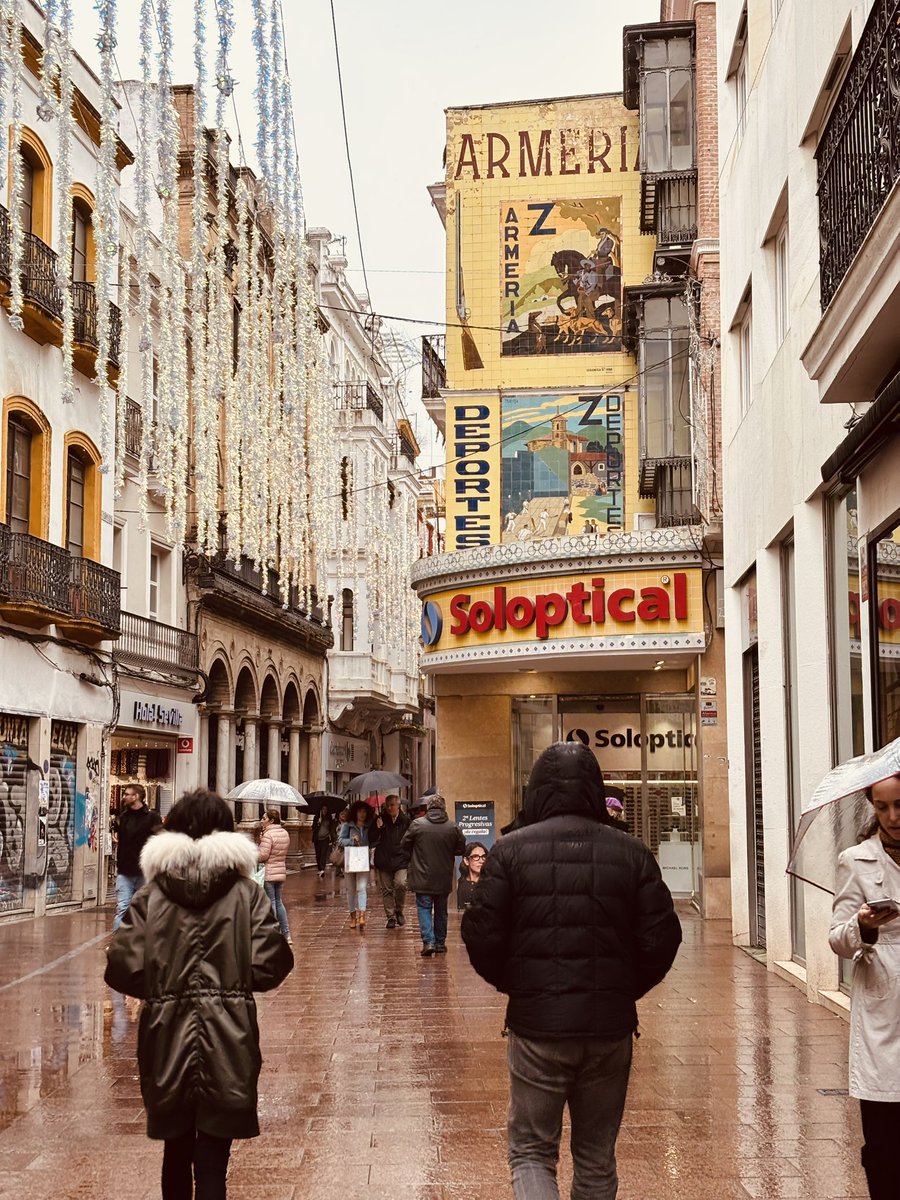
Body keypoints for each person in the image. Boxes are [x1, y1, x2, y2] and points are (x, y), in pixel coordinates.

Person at [461, 741, 682, 1199]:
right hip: (609, 1028)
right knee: (597, 1157)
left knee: (531, 1152)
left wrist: (520, 985)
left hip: (538, 1027)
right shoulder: (632, 852)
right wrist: (621, 989)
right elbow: (663, 938)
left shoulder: (510, 851)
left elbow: (480, 933)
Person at [105, 787, 293, 1200]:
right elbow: (271, 965)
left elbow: (121, 966)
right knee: (212, 1156)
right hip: (229, 1035)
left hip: (164, 1033)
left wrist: (161, 986)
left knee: (175, 1151)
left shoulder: (150, 895)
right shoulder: (246, 895)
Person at [829, 772, 900, 1200]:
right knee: (885, 1138)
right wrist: (862, 926)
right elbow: (836, 936)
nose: (893, 816)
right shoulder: (856, 859)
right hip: (882, 1005)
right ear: (871, 807)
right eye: (883, 807)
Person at [401, 792, 466, 956]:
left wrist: (414, 856)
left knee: (424, 907)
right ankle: (439, 943)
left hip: (422, 875)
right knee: (441, 910)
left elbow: (404, 845)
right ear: (444, 808)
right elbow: (461, 849)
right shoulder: (453, 827)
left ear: (428, 808)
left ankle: (428, 941)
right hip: (443, 876)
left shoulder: (417, 824)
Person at [113, 783, 161, 931]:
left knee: (145, 909)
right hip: (125, 870)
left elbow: (159, 841)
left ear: (136, 796)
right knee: (122, 908)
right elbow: (118, 838)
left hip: (144, 871)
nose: (124, 797)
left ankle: (144, 940)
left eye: (127, 794)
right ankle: (117, 943)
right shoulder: (122, 818)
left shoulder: (152, 817)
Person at [372, 794, 410, 929]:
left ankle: (399, 909)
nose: (389, 808)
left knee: (401, 884)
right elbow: (372, 839)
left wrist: (408, 855)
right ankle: (391, 917)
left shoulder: (406, 820)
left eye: (392, 805)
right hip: (384, 859)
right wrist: (378, 828)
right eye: (387, 805)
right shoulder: (380, 819)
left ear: (398, 805)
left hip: (400, 859)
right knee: (387, 889)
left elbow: (411, 839)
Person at [338, 800, 375, 931]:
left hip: (364, 859)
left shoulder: (370, 825)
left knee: (362, 887)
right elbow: (340, 841)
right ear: (355, 812)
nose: (362, 814)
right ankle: (353, 916)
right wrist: (351, 841)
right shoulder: (348, 825)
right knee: (351, 890)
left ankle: (362, 916)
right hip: (350, 859)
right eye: (360, 811)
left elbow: (375, 839)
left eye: (364, 811)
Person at [258, 808, 292, 945]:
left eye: (264, 819)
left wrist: (255, 850)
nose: (261, 821)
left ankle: (274, 934)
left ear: (271, 820)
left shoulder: (268, 835)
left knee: (271, 902)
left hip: (269, 873)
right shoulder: (284, 833)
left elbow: (263, 855)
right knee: (279, 902)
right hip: (280, 872)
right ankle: (287, 934)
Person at [457, 842, 488, 910]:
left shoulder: (491, 884)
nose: (481, 861)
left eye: (483, 857)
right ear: (466, 861)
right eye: (476, 857)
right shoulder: (457, 885)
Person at [312, 804, 335, 877]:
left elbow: (331, 828)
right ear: (320, 810)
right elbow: (313, 827)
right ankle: (319, 868)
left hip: (325, 838)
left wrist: (332, 838)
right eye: (323, 809)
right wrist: (318, 823)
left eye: (326, 809)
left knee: (323, 854)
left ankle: (322, 869)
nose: (324, 811)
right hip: (317, 839)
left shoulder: (329, 818)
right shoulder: (316, 817)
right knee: (318, 854)